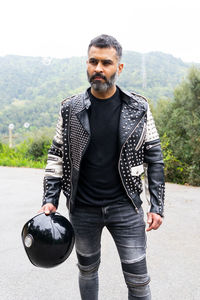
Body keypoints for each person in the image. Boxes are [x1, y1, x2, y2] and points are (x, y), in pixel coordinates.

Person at [39, 34, 165, 300]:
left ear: (119, 68)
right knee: (87, 271)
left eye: (106, 62)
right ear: (87, 64)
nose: (98, 68)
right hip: (83, 208)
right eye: (93, 61)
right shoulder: (70, 108)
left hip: (126, 207)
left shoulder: (138, 107)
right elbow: (56, 155)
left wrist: (157, 205)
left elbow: (154, 156)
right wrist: (49, 199)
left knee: (139, 281)